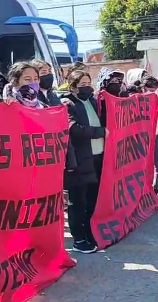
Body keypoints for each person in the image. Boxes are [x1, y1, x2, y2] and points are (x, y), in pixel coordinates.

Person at [61, 70, 109, 253]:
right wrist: (100, 132)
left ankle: (90, 233)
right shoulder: (68, 104)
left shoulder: (93, 102)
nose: (86, 86)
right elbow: (74, 129)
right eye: (81, 84)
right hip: (79, 160)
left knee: (92, 200)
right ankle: (79, 239)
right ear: (72, 86)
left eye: (88, 82)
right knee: (78, 202)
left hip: (97, 158)